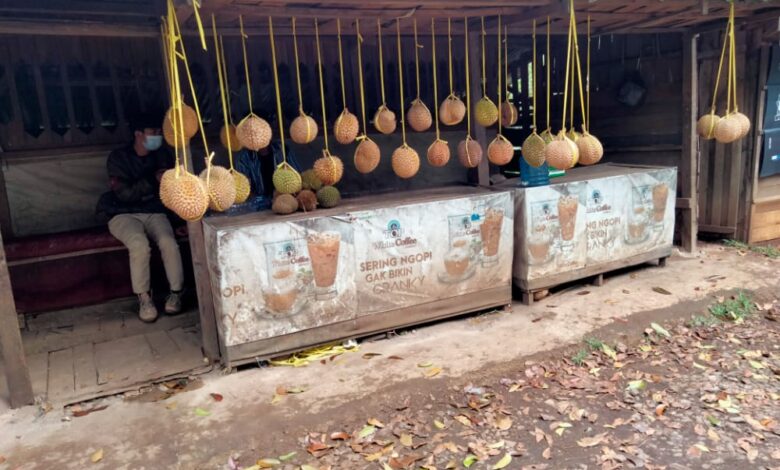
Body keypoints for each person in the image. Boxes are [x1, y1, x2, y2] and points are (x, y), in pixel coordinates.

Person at [96, 112, 184, 322]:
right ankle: (144, 298)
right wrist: (154, 179)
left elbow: (174, 192)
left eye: (159, 132)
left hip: (154, 211)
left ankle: (176, 294)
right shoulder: (118, 158)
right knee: (139, 245)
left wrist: (179, 220)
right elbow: (125, 195)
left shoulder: (163, 155)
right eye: (152, 132)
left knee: (168, 242)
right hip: (122, 213)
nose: (157, 136)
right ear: (138, 134)